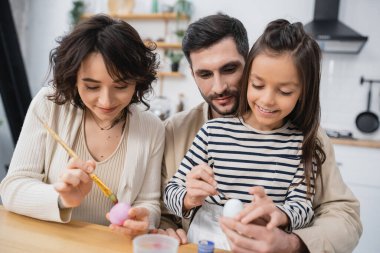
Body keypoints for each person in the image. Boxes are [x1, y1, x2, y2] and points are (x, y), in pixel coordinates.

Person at [160, 14, 362, 252]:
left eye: (230, 69)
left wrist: (285, 231)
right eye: (205, 74)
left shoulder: (306, 140)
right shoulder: (195, 131)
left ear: (250, 63)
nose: (219, 87)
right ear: (193, 73)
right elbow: (165, 202)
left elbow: (324, 211)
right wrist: (184, 203)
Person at [0, 15, 164, 237]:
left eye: (121, 86)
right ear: (74, 78)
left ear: (138, 81)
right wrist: (62, 198)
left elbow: (150, 203)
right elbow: (12, 189)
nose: (106, 101)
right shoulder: (49, 107)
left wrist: (145, 217)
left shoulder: (151, 127)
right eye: (92, 87)